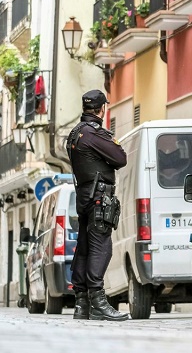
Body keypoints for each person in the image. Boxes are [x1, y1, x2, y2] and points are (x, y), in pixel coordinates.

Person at [66, 90, 128, 321]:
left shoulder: (75, 133)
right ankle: (98, 301)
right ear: (102, 109)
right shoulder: (94, 134)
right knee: (100, 246)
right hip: (99, 196)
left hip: (84, 194)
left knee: (84, 246)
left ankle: (81, 303)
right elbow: (120, 158)